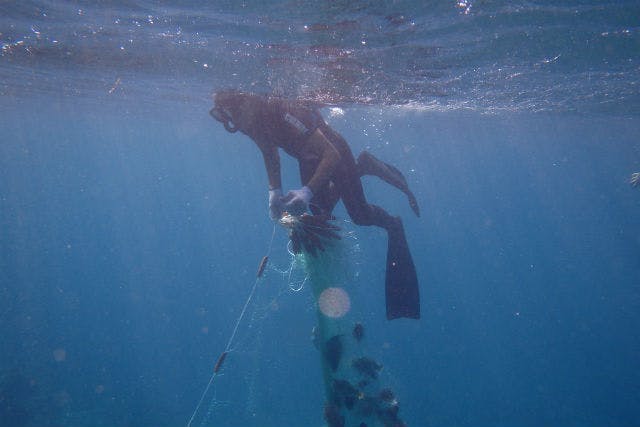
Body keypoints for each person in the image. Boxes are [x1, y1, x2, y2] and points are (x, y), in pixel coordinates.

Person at [210, 90, 420, 320]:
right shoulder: (249, 121)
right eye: (231, 118)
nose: (237, 124)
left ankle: (386, 211)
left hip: (334, 152)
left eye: (236, 114)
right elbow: (269, 153)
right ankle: (363, 166)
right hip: (306, 157)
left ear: (248, 102)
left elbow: (331, 154)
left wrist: (307, 192)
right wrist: (274, 192)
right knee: (321, 214)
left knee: (360, 215)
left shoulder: (284, 111)